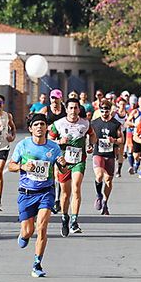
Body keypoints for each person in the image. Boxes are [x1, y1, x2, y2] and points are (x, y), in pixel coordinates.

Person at [11, 116, 61, 277]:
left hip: (46, 192)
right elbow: (11, 165)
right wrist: (22, 166)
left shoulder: (54, 148)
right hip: (26, 193)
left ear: (47, 128)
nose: (39, 127)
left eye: (42, 124)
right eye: (36, 125)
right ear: (31, 129)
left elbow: (63, 168)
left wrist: (63, 163)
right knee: (28, 231)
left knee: (42, 227)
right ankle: (24, 234)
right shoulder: (23, 145)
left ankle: (37, 263)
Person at [50, 99, 92, 236]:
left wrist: (91, 145)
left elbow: (92, 135)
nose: (73, 111)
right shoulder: (59, 124)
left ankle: (74, 221)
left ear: (79, 110)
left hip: (79, 160)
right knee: (65, 193)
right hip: (64, 161)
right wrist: (59, 141)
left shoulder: (85, 123)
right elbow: (49, 140)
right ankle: (65, 217)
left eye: (75, 108)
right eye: (71, 108)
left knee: (76, 188)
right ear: (66, 109)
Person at [90, 101, 123, 215]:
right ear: (99, 110)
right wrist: (90, 145)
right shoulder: (94, 123)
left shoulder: (116, 124)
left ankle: (105, 201)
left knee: (108, 180)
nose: (104, 113)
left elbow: (121, 140)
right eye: (102, 111)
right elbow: (90, 137)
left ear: (110, 111)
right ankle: (99, 195)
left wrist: (114, 141)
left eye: (107, 111)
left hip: (110, 154)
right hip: (98, 153)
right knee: (99, 176)